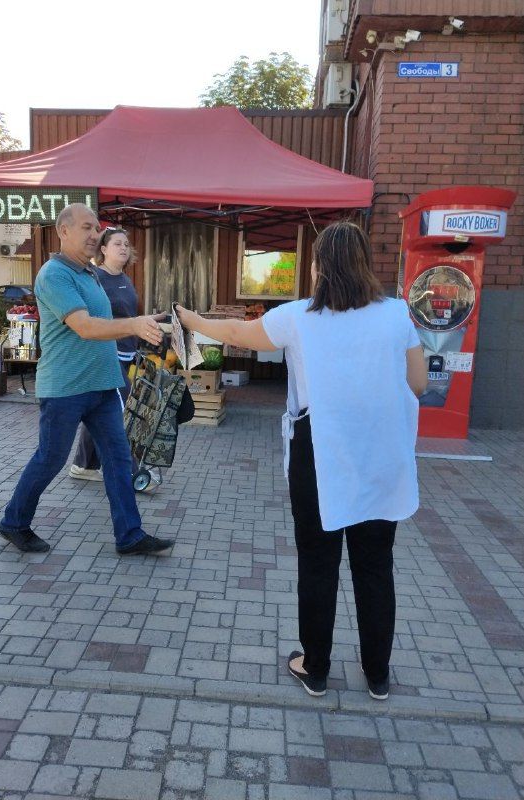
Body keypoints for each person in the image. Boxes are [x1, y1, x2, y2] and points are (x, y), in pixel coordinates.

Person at [177, 221, 427, 701]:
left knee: (318, 562)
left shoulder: (298, 317)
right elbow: (416, 384)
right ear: (364, 264)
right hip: (379, 452)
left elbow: (236, 332)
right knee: (375, 565)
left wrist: (192, 321)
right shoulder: (397, 314)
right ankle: (377, 675)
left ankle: (315, 669)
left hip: (319, 452)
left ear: (317, 267)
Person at [0, 203, 174, 556]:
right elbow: (85, 326)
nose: (95, 235)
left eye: (97, 228)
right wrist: (133, 325)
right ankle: (14, 523)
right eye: (86, 228)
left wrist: (154, 319)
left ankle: (130, 534)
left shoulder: (89, 274)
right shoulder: (54, 275)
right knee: (50, 459)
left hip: (103, 385)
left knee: (119, 458)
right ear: (64, 231)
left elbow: (105, 319)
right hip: (66, 388)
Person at [69, 226, 142, 482]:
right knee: (122, 408)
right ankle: (130, 471)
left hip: (127, 352)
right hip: (105, 353)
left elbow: (128, 315)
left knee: (101, 409)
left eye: (126, 244)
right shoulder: (95, 278)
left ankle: (83, 465)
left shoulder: (125, 279)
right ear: (103, 250)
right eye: (117, 244)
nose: (123, 248)